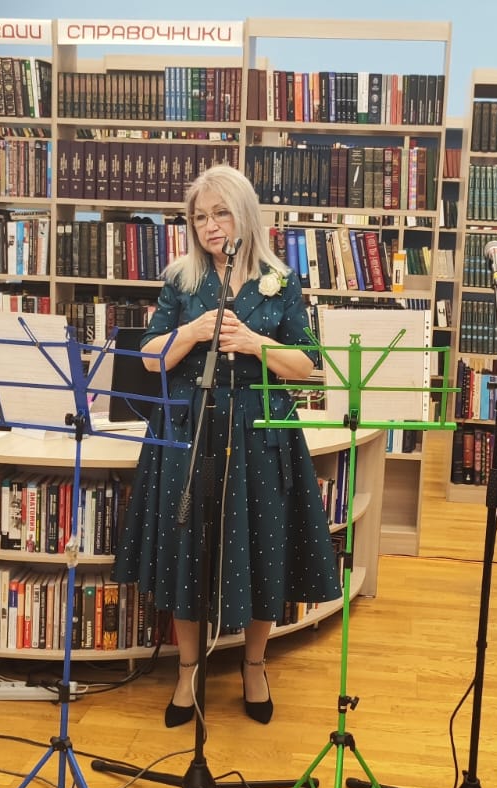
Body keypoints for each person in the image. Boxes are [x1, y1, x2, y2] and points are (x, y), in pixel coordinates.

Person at [113, 164, 341, 727]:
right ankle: (188, 669)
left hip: (261, 431)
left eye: (220, 213)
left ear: (244, 215)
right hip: (189, 430)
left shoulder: (281, 281)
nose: (210, 225)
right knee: (186, 546)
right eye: (200, 216)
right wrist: (191, 332)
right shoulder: (182, 280)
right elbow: (150, 358)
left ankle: (254, 665)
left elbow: (306, 366)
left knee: (264, 544)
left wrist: (256, 342)